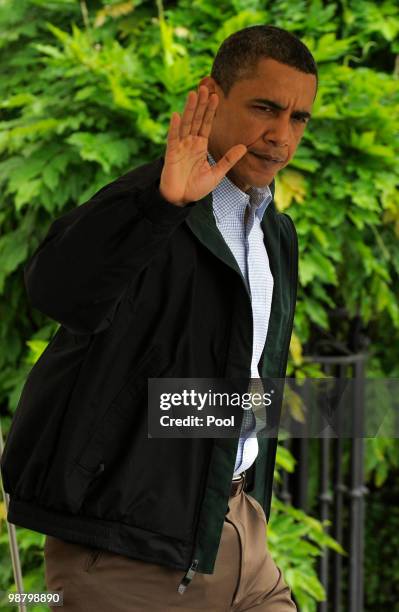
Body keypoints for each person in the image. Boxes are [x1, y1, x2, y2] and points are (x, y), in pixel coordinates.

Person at [0, 24, 317, 611]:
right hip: (126, 557)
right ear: (213, 97)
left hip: (238, 536)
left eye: (298, 118)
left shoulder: (276, 233)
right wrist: (160, 203)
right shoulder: (154, 207)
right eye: (265, 108)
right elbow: (58, 292)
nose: (281, 135)